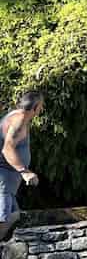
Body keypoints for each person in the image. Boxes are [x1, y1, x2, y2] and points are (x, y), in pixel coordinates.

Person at [0, 90, 43, 241]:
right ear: (35, 107)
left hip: (7, 183)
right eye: (41, 106)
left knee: (14, 216)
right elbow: (7, 148)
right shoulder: (19, 120)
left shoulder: (16, 116)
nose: (42, 110)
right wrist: (24, 172)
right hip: (3, 181)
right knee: (4, 219)